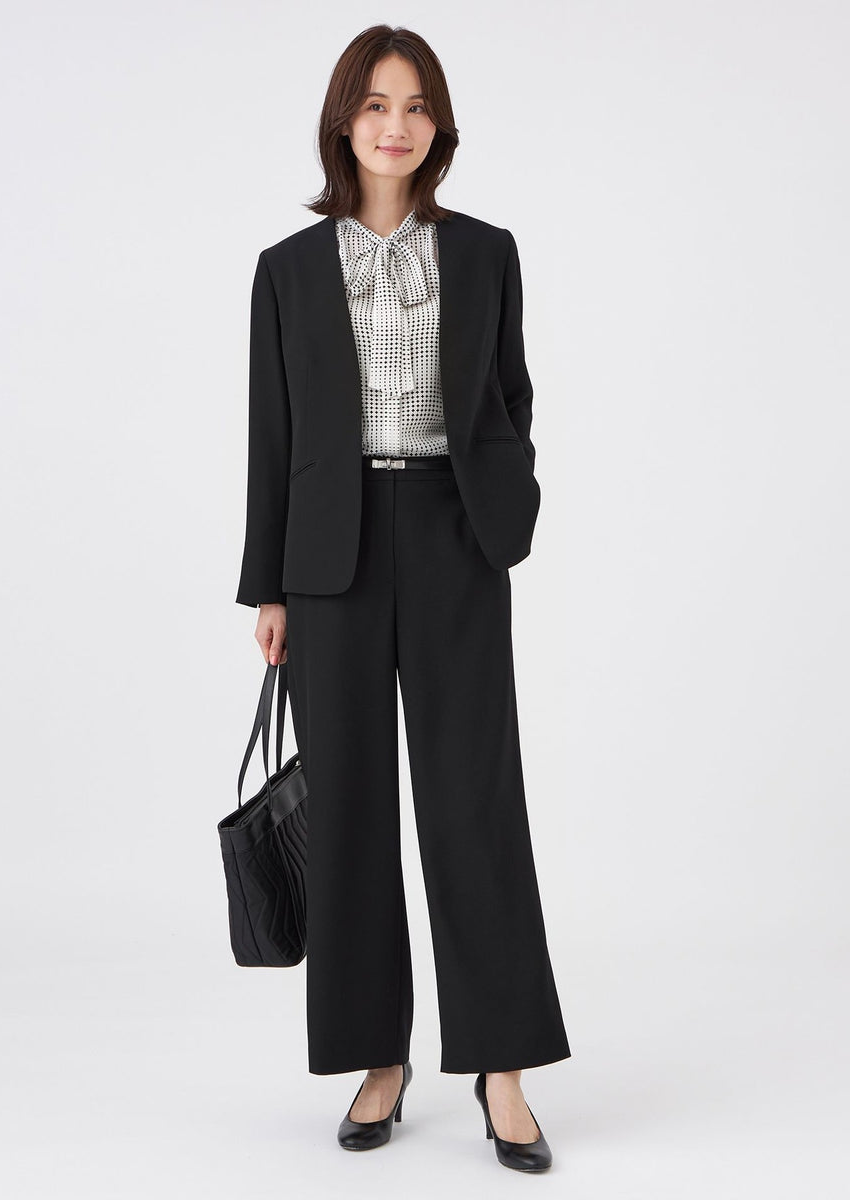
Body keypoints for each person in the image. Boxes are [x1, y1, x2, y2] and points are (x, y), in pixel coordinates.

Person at [236, 24, 571, 1172]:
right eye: (376, 104)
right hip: (327, 556)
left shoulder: (484, 253)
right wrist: (267, 586)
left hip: (451, 534)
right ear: (345, 122)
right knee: (351, 813)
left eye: (416, 105)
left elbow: (510, 397)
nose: (396, 124)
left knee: (474, 801)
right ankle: (376, 1057)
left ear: (439, 126)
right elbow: (271, 433)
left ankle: (501, 1067)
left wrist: (505, 502)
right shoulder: (287, 268)